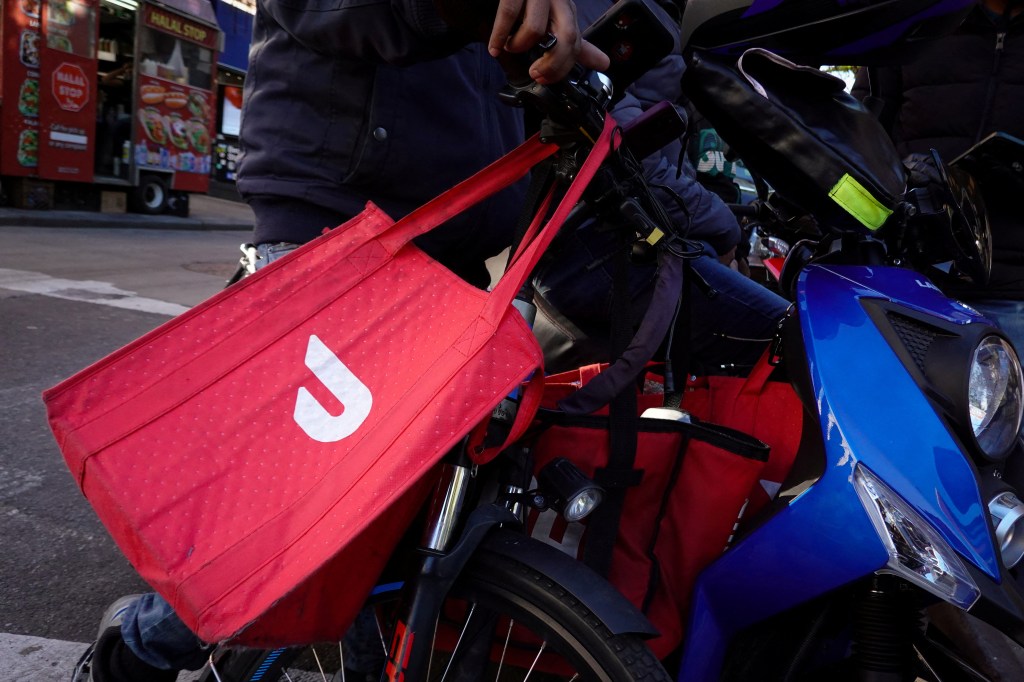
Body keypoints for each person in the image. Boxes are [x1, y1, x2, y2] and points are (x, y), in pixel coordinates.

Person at [72, 2, 609, 681]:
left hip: (450, 233)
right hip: (335, 225)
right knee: (312, 523)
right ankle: (141, 650)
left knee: (373, 516)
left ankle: (164, 646)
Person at [531, 0, 791, 377]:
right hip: (603, 240)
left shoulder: (663, 11)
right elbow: (628, 152)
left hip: (636, 228)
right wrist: (723, 232)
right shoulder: (586, 8)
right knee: (796, 341)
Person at [852, 0, 1024, 348]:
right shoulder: (914, 19)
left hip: (1015, 291)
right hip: (907, 280)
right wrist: (900, 177)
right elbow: (858, 131)